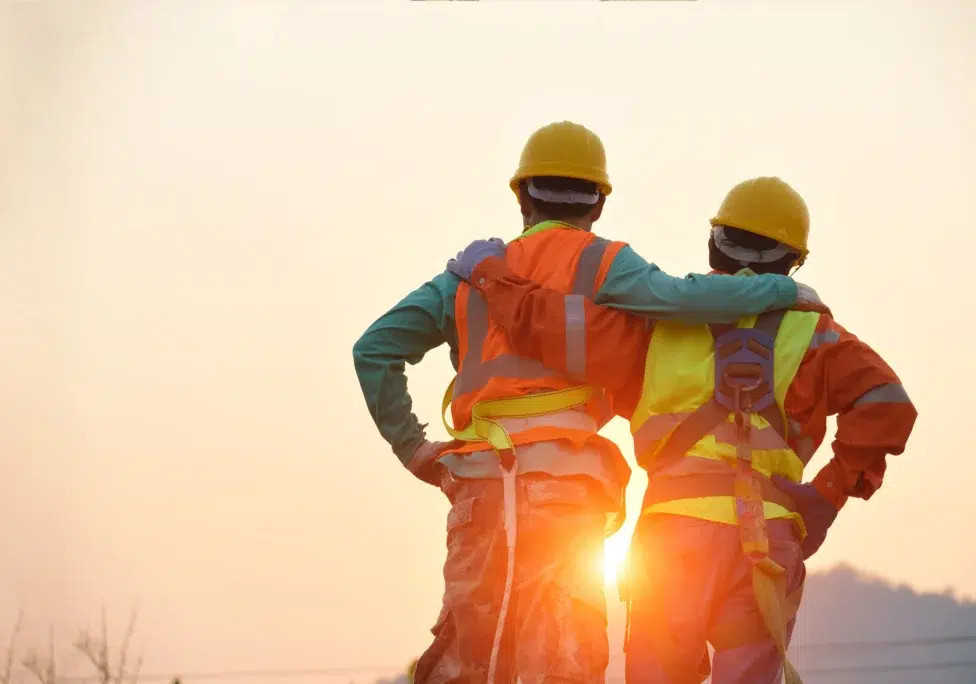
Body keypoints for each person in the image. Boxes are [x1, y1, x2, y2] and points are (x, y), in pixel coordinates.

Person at [353, 122, 828, 684]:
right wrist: (782, 290)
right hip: (566, 484)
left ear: (521, 194)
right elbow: (684, 298)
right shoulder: (606, 264)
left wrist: (413, 448)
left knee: (472, 654)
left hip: (479, 480)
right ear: (599, 203)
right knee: (564, 660)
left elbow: (374, 348)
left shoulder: (468, 278)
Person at [444, 176, 918, 684]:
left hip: (671, 543)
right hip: (765, 544)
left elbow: (549, 326)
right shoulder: (820, 336)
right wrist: (825, 497)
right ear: (792, 263)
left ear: (714, 245)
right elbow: (888, 404)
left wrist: (492, 274)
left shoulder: (654, 326)